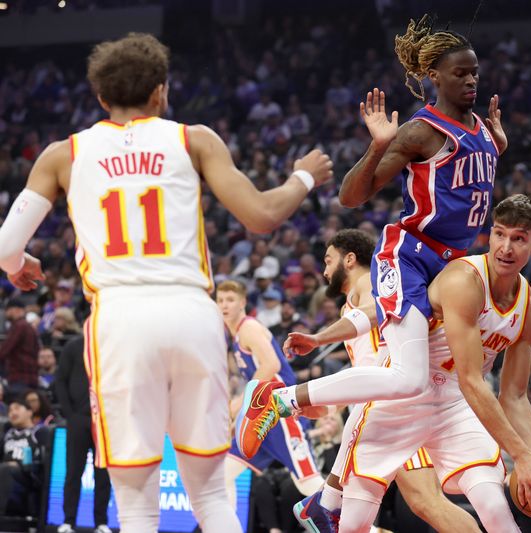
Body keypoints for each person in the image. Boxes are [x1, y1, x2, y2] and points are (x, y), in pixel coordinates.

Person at [0, 33, 333, 533]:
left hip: (119, 319)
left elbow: (6, 246)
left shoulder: (62, 154)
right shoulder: (192, 138)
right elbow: (262, 216)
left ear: (100, 97)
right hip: (191, 314)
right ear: (161, 91)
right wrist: (304, 177)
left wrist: (18, 264)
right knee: (210, 495)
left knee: (136, 507)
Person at [236, 15, 509, 461]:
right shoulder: (422, 130)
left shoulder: (481, 128)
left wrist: (498, 147)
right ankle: (279, 400)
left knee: (431, 378)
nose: (471, 79)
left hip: (452, 262)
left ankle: (335, 498)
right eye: (460, 72)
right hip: (412, 255)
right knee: (407, 377)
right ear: (434, 76)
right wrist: (380, 145)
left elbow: (468, 185)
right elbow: (349, 196)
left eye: (475, 71)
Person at [327, 195, 531, 532]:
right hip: (405, 398)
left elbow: (515, 396)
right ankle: (290, 404)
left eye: (519, 239)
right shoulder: (464, 280)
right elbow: (471, 379)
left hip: (454, 404)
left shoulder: (530, 307)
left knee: (494, 505)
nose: (506, 247)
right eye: (499, 234)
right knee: (357, 523)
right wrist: (521, 454)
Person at [284, 229, 479, 533]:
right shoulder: (350, 303)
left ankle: (324, 501)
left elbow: (379, 309)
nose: (323, 271)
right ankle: (326, 503)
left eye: (328, 260)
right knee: (418, 503)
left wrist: (319, 340)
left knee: (427, 502)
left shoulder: (373, 283)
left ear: (349, 259)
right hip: (380, 408)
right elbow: (364, 371)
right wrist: (331, 407)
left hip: (397, 409)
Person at [216, 280, 324, 508]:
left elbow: (271, 365)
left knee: (308, 483)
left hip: (280, 411)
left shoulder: (249, 328)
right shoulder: (235, 336)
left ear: (243, 302)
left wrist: (240, 404)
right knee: (222, 475)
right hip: (261, 416)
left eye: (230, 300)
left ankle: (367, 529)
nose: (224, 305)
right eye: (221, 300)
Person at [53, 335, 111, 533]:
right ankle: (68, 521)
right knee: (73, 472)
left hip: (104, 420)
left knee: (103, 474)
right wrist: (70, 414)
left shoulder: (111, 345)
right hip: (78, 418)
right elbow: (60, 379)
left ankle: (101, 522)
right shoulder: (74, 345)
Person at [0, 399, 46, 519]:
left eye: (17, 408)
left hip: (28, 476)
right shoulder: (8, 434)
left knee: (6, 469)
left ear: (29, 412)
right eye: (10, 410)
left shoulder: (38, 432)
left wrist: (17, 465)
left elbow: (44, 462)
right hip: (5, 475)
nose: (12, 413)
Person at [0, 299, 39, 397]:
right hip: (31, 378)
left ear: (16, 310)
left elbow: (4, 350)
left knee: (18, 405)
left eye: (8, 309)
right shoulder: (30, 328)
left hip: (19, 378)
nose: (6, 313)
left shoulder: (19, 326)